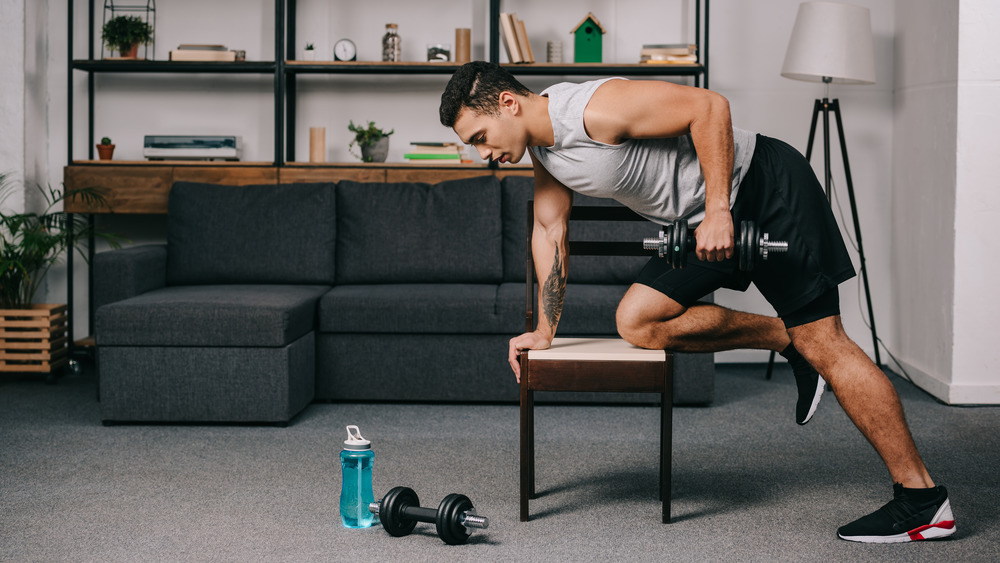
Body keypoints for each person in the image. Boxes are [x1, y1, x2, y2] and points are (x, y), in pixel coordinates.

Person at [438, 61, 956, 543]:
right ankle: (787, 341)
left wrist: (718, 210)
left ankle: (922, 499)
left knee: (827, 339)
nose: (483, 154)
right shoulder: (546, 152)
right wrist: (546, 331)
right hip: (697, 224)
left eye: (479, 138)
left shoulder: (593, 109)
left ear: (508, 103)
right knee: (639, 321)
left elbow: (709, 107)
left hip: (765, 187)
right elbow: (550, 229)